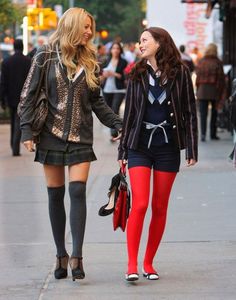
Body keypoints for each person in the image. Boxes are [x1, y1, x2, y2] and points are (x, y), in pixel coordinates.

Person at [19, 7, 122, 281]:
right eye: (86, 26)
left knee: (77, 193)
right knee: (55, 196)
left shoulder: (90, 59)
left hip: (81, 136)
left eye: (91, 27)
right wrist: (27, 131)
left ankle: (77, 256)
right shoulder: (45, 56)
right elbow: (28, 94)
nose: (89, 32)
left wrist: (117, 123)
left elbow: (97, 101)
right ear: (73, 25)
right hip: (50, 136)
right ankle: (60, 254)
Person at [118, 27, 198, 282]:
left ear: (160, 43)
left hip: (168, 148)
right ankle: (131, 264)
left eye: (144, 40)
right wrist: (123, 150)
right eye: (140, 41)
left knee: (160, 207)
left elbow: (190, 111)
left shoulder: (181, 73)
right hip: (139, 146)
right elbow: (129, 113)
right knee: (140, 204)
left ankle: (148, 263)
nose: (140, 45)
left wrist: (192, 148)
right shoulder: (136, 74)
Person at [0, 39, 31, 156]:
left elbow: (3, 82)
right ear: (22, 47)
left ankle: (14, 145)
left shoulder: (6, 62)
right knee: (18, 121)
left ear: (13, 47)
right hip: (24, 98)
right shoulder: (28, 61)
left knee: (14, 121)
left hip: (11, 97)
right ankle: (15, 147)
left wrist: (2, 99)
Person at [196, 43, 225, 141]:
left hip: (202, 90)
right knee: (214, 113)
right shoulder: (218, 62)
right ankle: (213, 134)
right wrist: (221, 91)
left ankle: (203, 135)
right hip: (214, 90)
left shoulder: (201, 61)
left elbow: (197, 76)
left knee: (203, 114)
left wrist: (198, 87)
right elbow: (221, 78)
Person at [101, 42, 127, 141]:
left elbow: (123, 76)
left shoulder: (123, 61)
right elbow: (101, 74)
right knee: (109, 110)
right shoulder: (106, 60)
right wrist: (104, 75)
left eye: (117, 48)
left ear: (120, 50)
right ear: (110, 50)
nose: (115, 50)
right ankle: (117, 129)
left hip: (119, 89)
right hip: (107, 89)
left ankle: (114, 133)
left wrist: (114, 74)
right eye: (113, 48)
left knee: (115, 109)